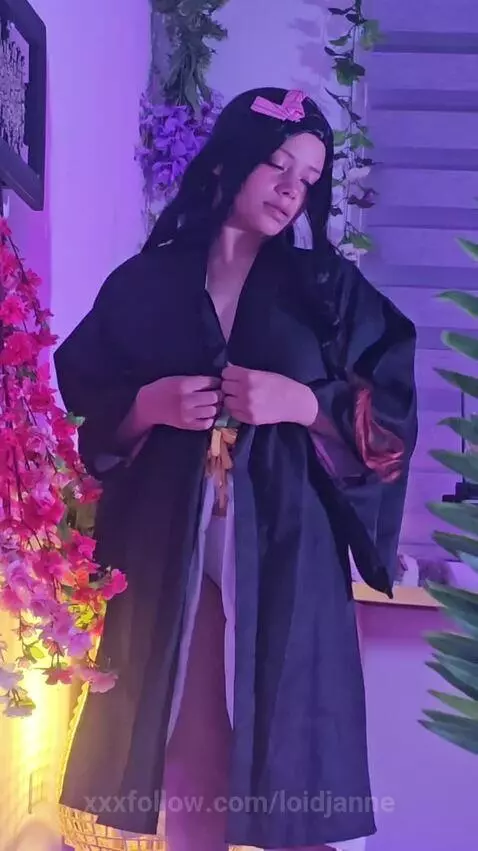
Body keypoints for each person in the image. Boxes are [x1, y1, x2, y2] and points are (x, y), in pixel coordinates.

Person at [54, 87, 418, 851]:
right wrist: (147, 406)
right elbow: (88, 401)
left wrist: (302, 402)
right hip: (172, 541)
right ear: (229, 161)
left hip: (284, 536)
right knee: (186, 739)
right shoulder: (145, 285)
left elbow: (388, 415)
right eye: (278, 164)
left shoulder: (327, 292)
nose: (291, 188)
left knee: (292, 751)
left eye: (308, 177)